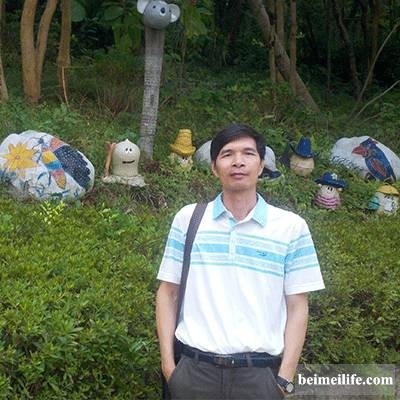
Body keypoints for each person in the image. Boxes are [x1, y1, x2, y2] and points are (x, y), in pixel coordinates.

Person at [156, 123, 325, 399]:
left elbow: (297, 307)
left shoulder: (291, 228)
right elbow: (167, 293)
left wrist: (284, 379)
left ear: (261, 165)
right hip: (194, 375)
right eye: (227, 154)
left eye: (248, 153)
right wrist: (169, 367)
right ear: (214, 167)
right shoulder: (188, 220)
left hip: (259, 379)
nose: (238, 162)